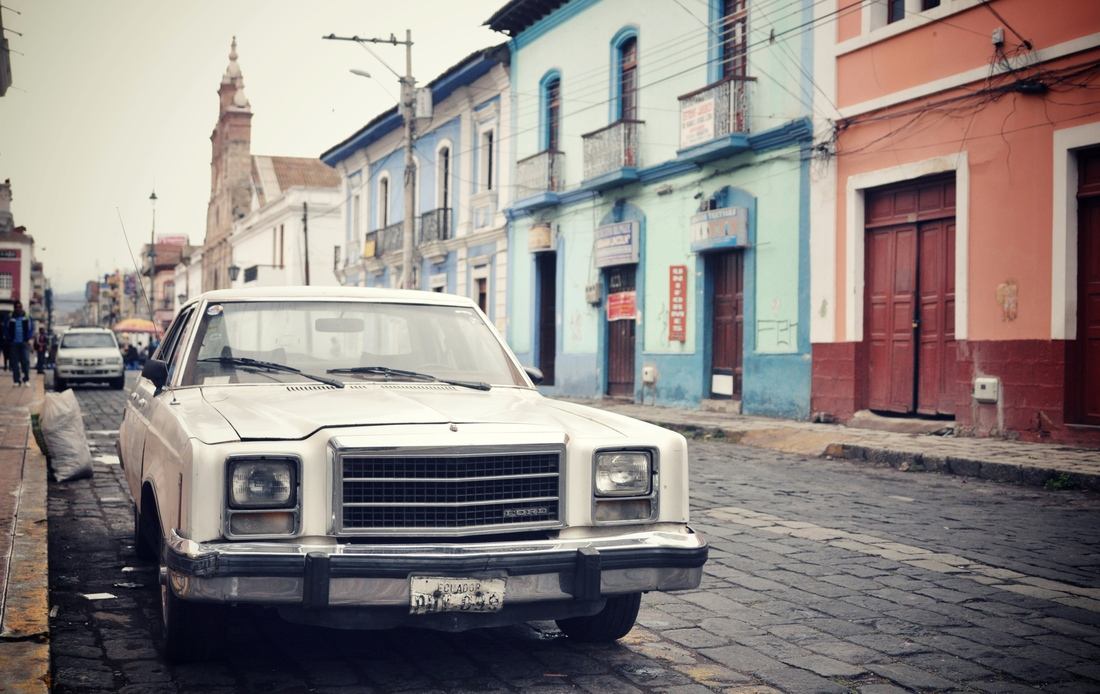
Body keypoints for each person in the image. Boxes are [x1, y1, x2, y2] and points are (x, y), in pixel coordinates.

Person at [4, 300, 33, 386]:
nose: (18, 309)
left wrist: (28, 337)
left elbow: (31, 328)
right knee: (14, 362)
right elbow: (6, 328)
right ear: (14, 308)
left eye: (20, 307)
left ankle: (26, 379)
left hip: (24, 343)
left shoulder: (27, 316)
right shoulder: (10, 317)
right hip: (14, 343)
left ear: (22, 307)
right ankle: (16, 381)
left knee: (26, 361)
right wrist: (9, 338)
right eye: (16, 307)